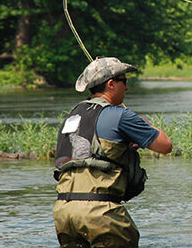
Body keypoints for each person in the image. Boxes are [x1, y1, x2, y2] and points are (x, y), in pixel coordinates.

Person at [52, 57, 172, 247]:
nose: (127, 88)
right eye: (124, 81)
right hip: (100, 213)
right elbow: (165, 145)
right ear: (110, 84)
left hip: (64, 212)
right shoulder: (121, 115)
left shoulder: (71, 116)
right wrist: (145, 125)